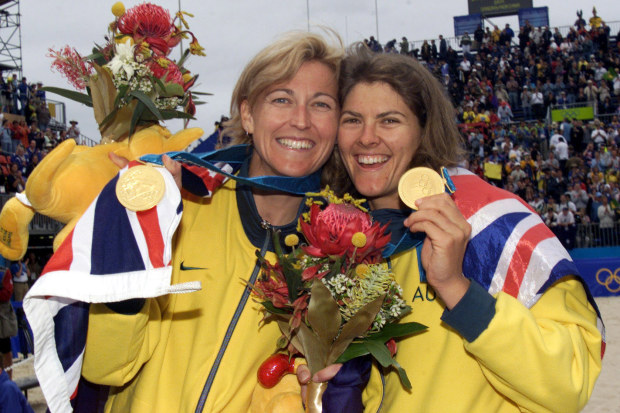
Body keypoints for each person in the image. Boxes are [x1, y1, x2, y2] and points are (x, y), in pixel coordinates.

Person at [75, 31, 343, 413]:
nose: (300, 121)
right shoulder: (181, 205)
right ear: (248, 114)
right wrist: (130, 255)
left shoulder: (340, 253)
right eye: (281, 99)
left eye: (321, 104)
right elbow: (106, 369)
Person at [329, 47, 602, 412]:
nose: (367, 138)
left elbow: (569, 382)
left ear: (423, 130)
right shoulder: (338, 237)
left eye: (389, 120)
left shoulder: (491, 221)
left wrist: (458, 290)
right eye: (352, 120)